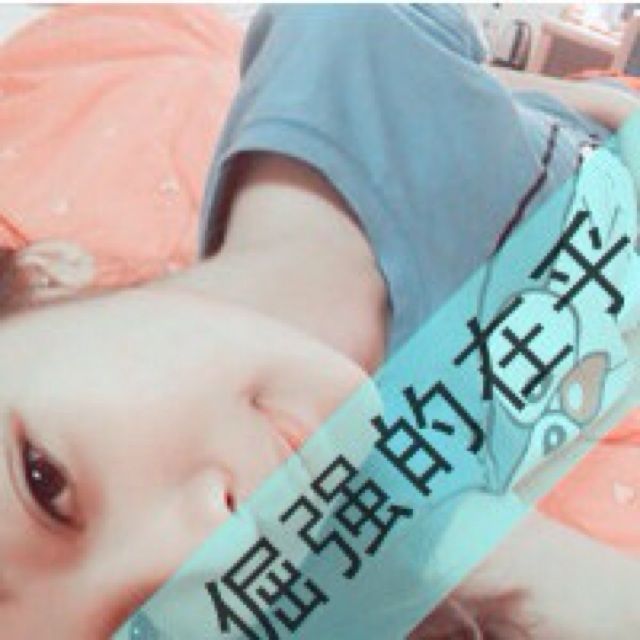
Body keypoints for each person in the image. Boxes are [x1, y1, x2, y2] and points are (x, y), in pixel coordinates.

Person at [1, 5, 639, 639]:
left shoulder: (337, 41)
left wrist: (606, 107)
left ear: (44, 277)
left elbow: (478, 72)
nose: (212, 542)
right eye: (136, 627)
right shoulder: (393, 522)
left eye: (43, 479)